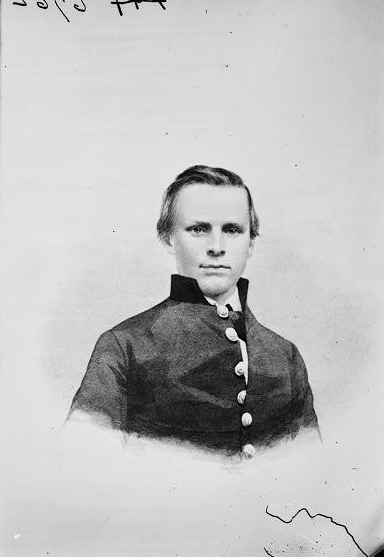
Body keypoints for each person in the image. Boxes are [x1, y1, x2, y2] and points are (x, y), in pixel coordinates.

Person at [67, 165, 319, 457]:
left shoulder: (285, 357)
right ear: (168, 238)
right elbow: (83, 466)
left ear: (250, 243)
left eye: (232, 230)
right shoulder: (124, 347)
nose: (217, 247)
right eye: (199, 229)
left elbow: (312, 469)